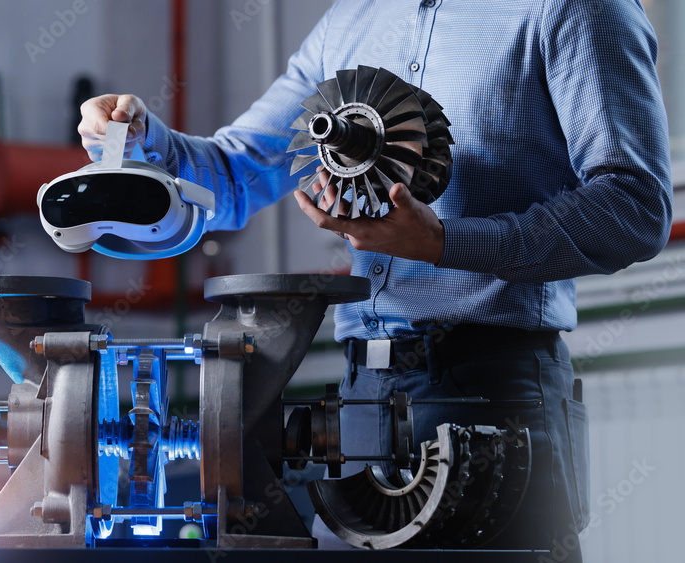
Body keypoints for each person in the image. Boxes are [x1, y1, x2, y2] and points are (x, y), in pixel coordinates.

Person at [78, 0, 672, 559]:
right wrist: (147, 141)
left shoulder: (571, 8)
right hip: (361, 393)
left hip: (496, 390)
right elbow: (237, 174)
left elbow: (634, 206)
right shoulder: (354, 18)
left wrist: (442, 243)